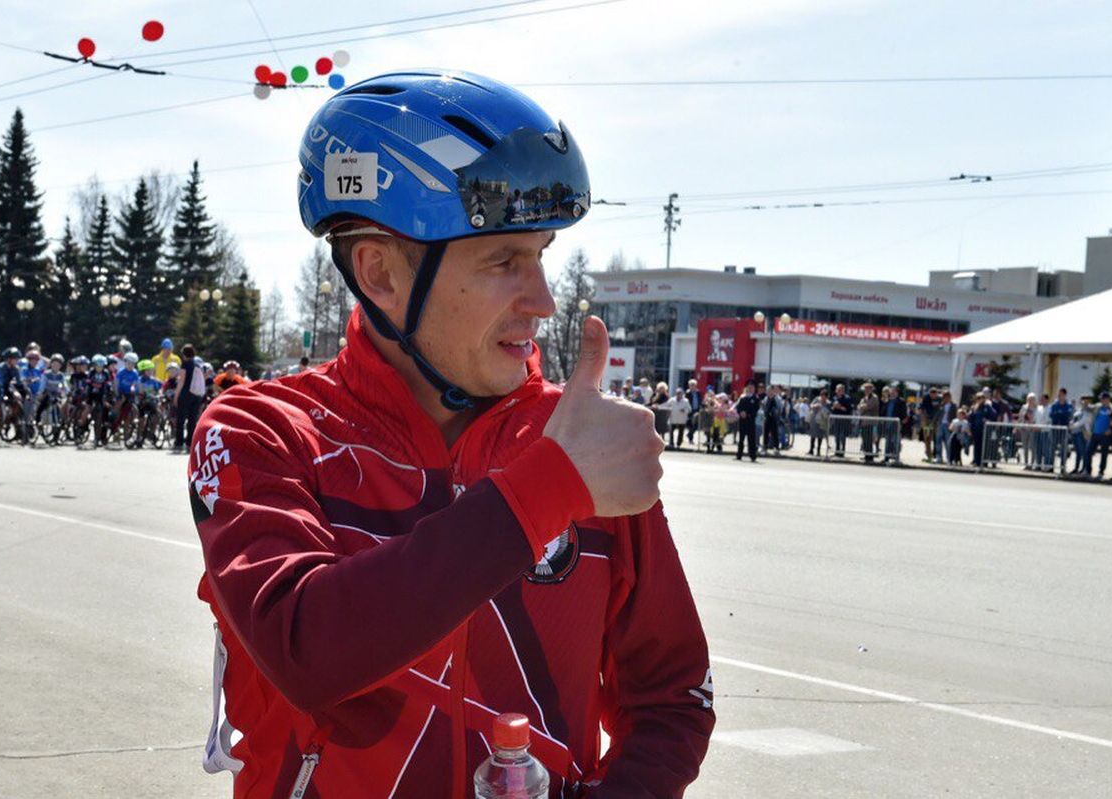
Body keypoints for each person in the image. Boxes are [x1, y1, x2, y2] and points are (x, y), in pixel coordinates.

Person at [189, 70, 712, 799]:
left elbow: (674, 693)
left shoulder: (575, 436)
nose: (543, 301)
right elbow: (303, 647)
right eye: (504, 261)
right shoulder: (262, 431)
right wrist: (550, 486)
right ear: (380, 274)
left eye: (542, 256)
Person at [172, 344, 205, 452]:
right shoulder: (197, 364)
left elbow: (181, 381)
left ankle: (179, 443)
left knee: (181, 419)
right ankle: (190, 443)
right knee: (192, 420)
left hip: (186, 394)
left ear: (184, 354)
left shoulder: (185, 364)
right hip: (197, 395)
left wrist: (176, 396)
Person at [1087, 392, 1112, 480]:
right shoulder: (1097, 407)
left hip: (1105, 435)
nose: (1102, 400)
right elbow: (1089, 408)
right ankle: (1088, 471)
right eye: (1101, 399)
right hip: (1095, 433)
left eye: (1103, 399)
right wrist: (1085, 403)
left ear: (1108, 399)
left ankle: (1101, 472)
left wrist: (1111, 429)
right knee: (1088, 452)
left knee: (1104, 454)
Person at [969, 390, 998, 468]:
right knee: (976, 445)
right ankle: (976, 461)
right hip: (976, 429)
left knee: (984, 445)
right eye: (978, 398)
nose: (979, 399)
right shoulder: (974, 407)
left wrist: (988, 420)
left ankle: (983, 461)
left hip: (984, 430)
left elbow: (994, 414)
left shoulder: (987, 406)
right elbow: (970, 417)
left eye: (981, 398)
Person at [734, 381, 760, 461]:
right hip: (742, 421)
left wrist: (747, 414)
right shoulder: (742, 397)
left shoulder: (755, 398)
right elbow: (738, 407)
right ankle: (739, 455)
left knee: (751, 439)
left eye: (752, 387)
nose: (750, 389)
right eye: (749, 387)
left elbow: (756, 409)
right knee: (741, 439)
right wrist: (740, 412)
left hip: (751, 421)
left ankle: (752, 455)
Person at [857, 382, 880, 463]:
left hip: (871, 422)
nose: (866, 390)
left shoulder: (875, 397)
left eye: (868, 388)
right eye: (865, 388)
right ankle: (866, 454)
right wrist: (863, 406)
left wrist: (863, 406)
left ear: (871, 389)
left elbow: (869, 406)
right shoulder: (863, 398)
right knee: (865, 439)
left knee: (870, 439)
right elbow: (859, 407)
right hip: (863, 422)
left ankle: (870, 456)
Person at [808, 389, 830, 456]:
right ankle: (811, 450)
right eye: (821, 395)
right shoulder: (817, 399)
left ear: (826, 397)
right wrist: (815, 405)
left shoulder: (828, 403)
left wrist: (823, 408)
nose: (822, 398)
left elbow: (829, 411)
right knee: (813, 435)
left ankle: (818, 451)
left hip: (822, 421)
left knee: (820, 436)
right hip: (814, 419)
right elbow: (811, 405)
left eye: (824, 396)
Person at [685, 378, 703, 444]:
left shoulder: (698, 393)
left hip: (697, 410)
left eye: (694, 385)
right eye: (691, 385)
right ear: (689, 386)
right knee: (691, 425)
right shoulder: (687, 393)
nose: (692, 386)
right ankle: (690, 439)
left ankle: (689, 434)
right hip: (690, 410)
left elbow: (700, 401)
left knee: (696, 425)